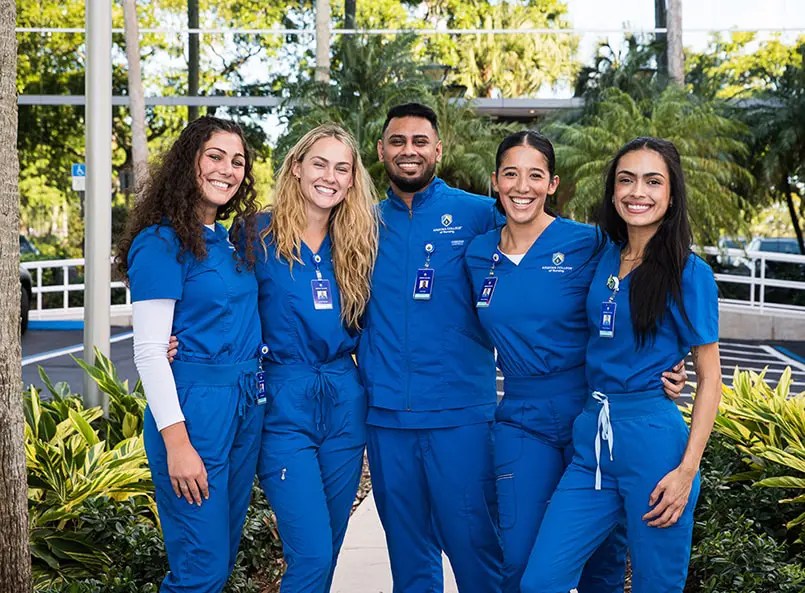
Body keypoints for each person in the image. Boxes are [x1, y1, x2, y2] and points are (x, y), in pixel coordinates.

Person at [464, 131, 688, 593]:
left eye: (535, 175)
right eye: (511, 174)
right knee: (521, 564)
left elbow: (643, 291)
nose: (521, 186)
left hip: (593, 410)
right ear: (495, 181)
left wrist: (665, 364)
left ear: (552, 184)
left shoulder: (591, 244)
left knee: (602, 567)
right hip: (522, 416)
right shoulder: (476, 254)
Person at [520, 137, 722, 593]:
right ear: (612, 191)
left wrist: (686, 472)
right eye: (626, 180)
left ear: (671, 196)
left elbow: (711, 380)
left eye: (654, 182)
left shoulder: (690, 274)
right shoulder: (603, 254)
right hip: (591, 435)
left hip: (653, 444)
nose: (638, 192)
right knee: (541, 580)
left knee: (656, 583)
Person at [357, 102, 503, 593]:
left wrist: (649, 346)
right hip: (387, 419)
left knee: (476, 550)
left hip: (460, 416)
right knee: (408, 556)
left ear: (438, 150)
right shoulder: (360, 223)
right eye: (397, 141)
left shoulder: (481, 214)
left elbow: (558, 269)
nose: (408, 151)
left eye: (420, 141)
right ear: (381, 151)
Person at [118, 116, 264, 593]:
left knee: (218, 562)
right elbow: (149, 353)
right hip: (195, 413)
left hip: (245, 404)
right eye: (215, 157)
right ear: (188, 163)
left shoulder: (230, 240)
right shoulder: (161, 242)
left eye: (238, 161)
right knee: (199, 571)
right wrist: (179, 445)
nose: (228, 169)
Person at [249, 124, 378, 593]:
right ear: (297, 168)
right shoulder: (254, 234)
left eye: (342, 168)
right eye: (320, 163)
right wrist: (176, 337)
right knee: (312, 552)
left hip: (345, 401)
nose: (330, 176)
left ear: (351, 180)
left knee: (331, 547)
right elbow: (208, 289)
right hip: (285, 402)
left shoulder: (359, 241)